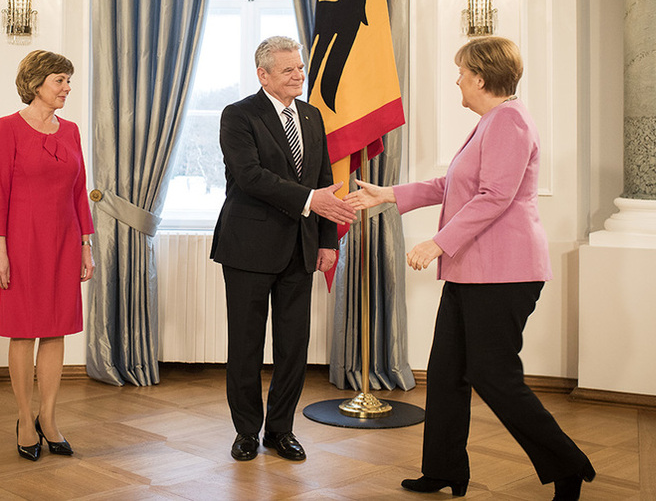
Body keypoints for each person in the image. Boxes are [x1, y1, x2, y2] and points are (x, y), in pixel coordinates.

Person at [346, 37, 595, 500]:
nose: (456, 79)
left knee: (494, 376)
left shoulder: (510, 122)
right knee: (446, 373)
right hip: (473, 272)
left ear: (481, 78)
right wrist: (389, 194)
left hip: (505, 273)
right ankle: (443, 470)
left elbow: (495, 197)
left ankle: (568, 465)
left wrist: (437, 243)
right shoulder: (492, 122)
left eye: (461, 72)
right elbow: (452, 183)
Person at [211, 36, 356, 462]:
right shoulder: (238, 115)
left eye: (300, 67)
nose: (299, 75)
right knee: (246, 346)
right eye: (289, 69)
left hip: (301, 247)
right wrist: (311, 200)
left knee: (293, 346)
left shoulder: (311, 116)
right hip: (247, 249)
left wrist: (327, 240)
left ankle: (280, 430)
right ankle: (245, 432)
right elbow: (250, 176)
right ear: (263, 74)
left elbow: (325, 178)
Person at [0, 50, 95, 462]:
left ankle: (48, 419)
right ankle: (23, 419)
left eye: (69, 80)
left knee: (56, 329)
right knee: (23, 330)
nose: (67, 88)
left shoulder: (70, 131)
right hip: (22, 242)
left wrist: (86, 244)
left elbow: (78, 190)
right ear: (36, 84)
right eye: (60, 80)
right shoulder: (7, 128)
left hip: (65, 241)